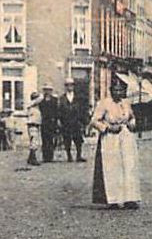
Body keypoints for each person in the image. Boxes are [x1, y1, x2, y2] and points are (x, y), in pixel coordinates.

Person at [91, 78, 141, 209]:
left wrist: (132, 124)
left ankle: (130, 198)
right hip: (111, 139)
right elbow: (94, 121)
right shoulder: (104, 104)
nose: (118, 93)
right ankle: (113, 199)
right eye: (115, 90)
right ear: (111, 91)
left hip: (126, 137)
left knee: (129, 166)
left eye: (120, 90)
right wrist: (107, 128)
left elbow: (132, 117)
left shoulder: (126, 103)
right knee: (112, 168)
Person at [59, 86, 88, 163]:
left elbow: (82, 109)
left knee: (78, 139)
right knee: (67, 139)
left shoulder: (78, 97)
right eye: (67, 85)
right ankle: (69, 156)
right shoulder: (62, 98)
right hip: (66, 122)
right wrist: (60, 120)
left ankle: (79, 156)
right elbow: (60, 110)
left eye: (71, 85)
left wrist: (83, 121)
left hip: (76, 121)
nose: (69, 87)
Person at [40, 86, 61, 163]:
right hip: (44, 122)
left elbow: (57, 111)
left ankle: (50, 156)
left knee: (51, 139)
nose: (47, 92)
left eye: (49, 90)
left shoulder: (54, 100)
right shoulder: (42, 101)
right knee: (44, 140)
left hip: (52, 122)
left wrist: (57, 120)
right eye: (46, 90)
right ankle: (45, 157)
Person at [24, 92, 43, 166]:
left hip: (36, 125)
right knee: (34, 142)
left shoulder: (34, 107)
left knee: (35, 142)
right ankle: (33, 158)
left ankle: (30, 158)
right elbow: (40, 98)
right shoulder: (31, 106)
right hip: (33, 125)